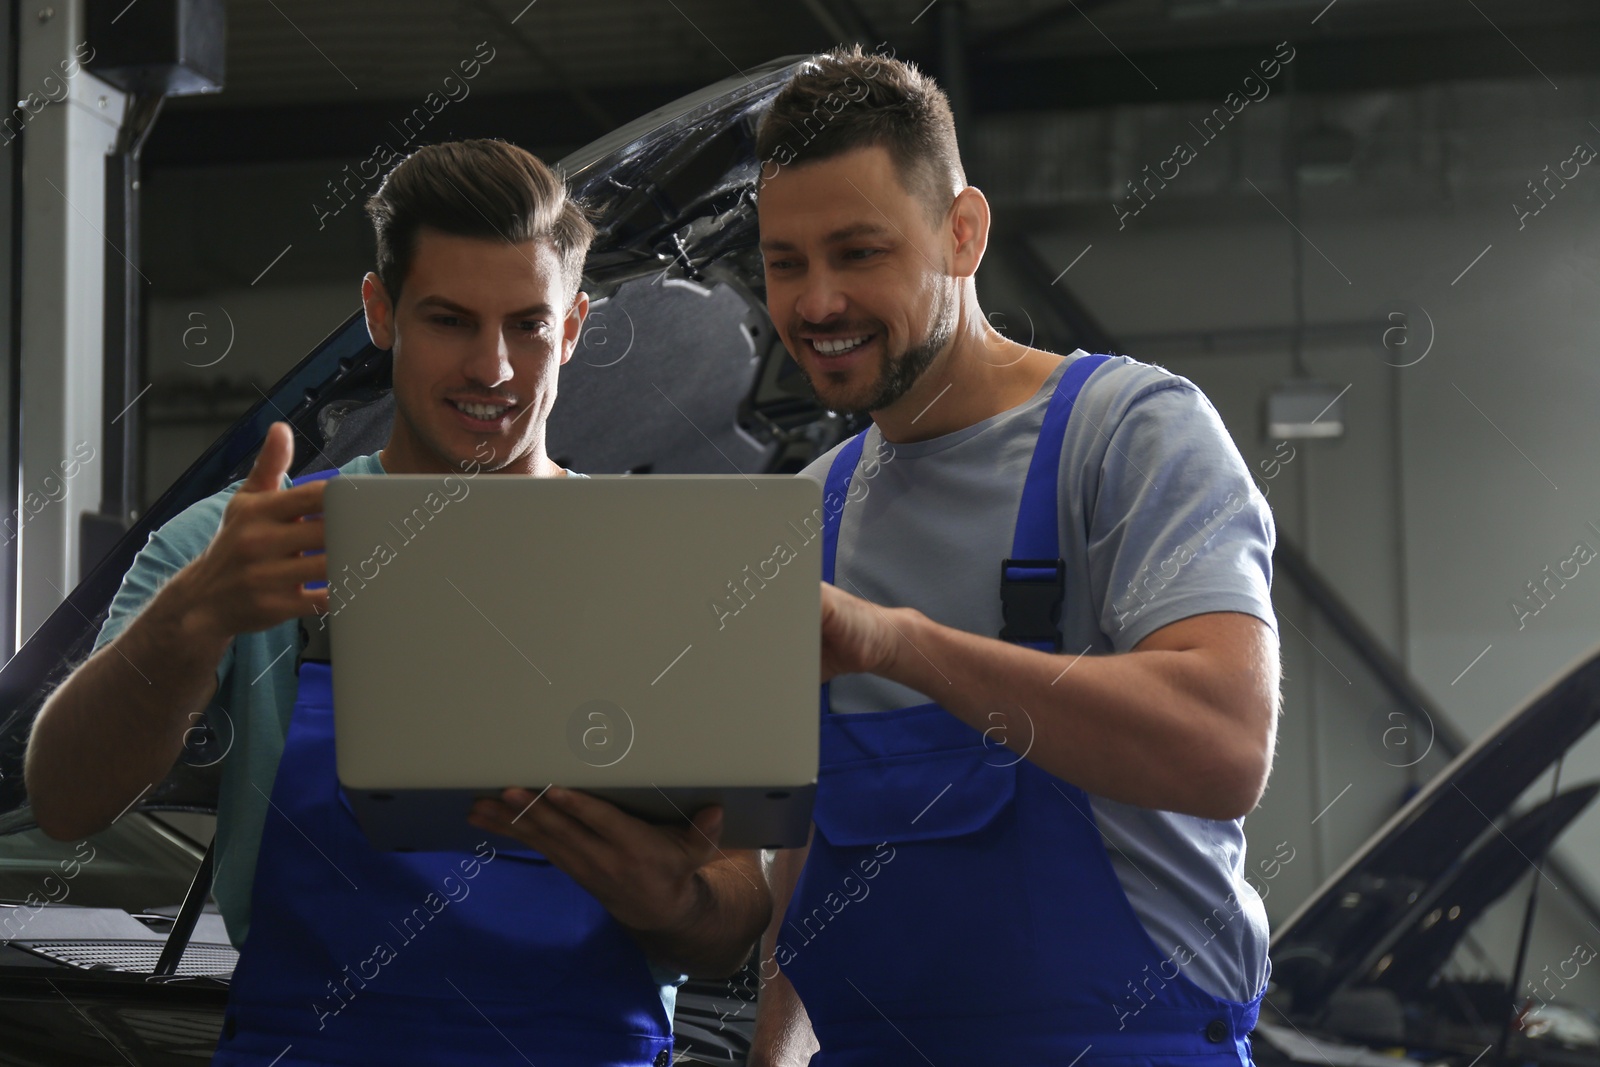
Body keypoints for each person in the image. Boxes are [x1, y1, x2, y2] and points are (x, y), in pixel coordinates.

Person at [25, 139, 768, 1067]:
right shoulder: (253, 541)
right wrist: (192, 616)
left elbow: (736, 915)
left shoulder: (671, 567)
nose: (493, 368)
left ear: (575, 327)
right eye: (451, 320)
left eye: (528, 325)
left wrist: (680, 904)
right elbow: (62, 797)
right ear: (381, 313)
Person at [747, 47, 1282, 1067]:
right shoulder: (809, 508)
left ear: (962, 231)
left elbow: (1221, 746)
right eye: (785, 262)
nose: (815, 303)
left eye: (857, 252)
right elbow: (805, 850)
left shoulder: (1126, 435)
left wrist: (896, 642)